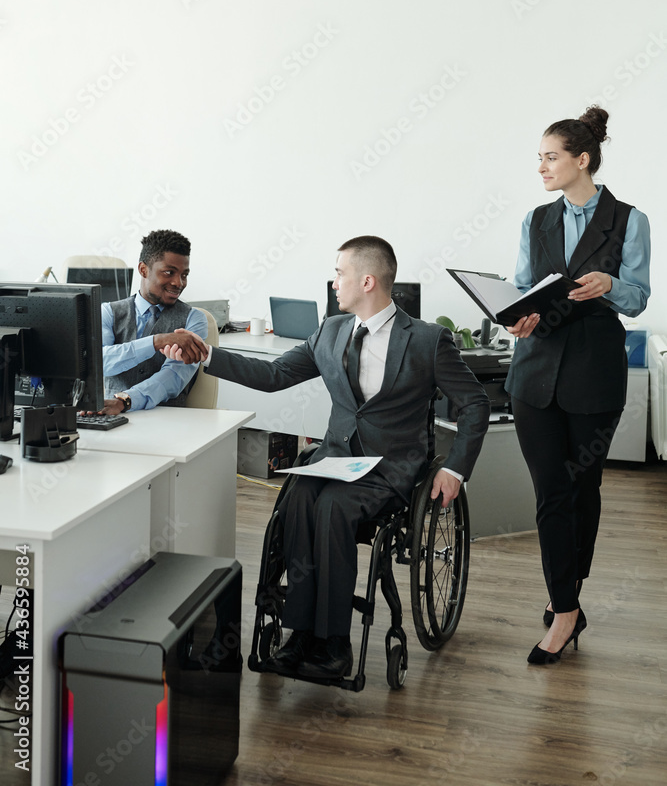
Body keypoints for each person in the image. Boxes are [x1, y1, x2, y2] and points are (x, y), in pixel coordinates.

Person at [164, 236, 490, 679]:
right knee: (299, 498)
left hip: (391, 468)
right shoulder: (332, 330)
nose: (334, 282)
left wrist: (454, 468)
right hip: (336, 458)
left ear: (368, 280)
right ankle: (301, 631)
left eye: (340, 273)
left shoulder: (428, 341)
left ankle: (334, 642)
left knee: (334, 508)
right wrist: (207, 356)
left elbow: (475, 403)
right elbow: (275, 374)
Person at [505, 106, 650, 665]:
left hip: (594, 373)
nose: (541, 166)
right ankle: (566, 609)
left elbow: (637, 297)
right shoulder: (535, 220)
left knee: (582, 490)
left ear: (581, 159)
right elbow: (522, 289)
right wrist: (518, 316)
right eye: (539, 157)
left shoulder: (628, 220)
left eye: (550, 157)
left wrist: (611, 283)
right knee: (550, 493)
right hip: (534, 374)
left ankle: (567, 594)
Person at [99, 229, 208, 415]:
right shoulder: (108, 312)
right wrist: (157, 341)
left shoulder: (194, 319)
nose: (178, 283)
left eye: (184, 275)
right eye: (169, 272)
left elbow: (174, 376)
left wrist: (126, 400)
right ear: (143, 269)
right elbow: (100, 362)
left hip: (168, 421)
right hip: (110, 418)